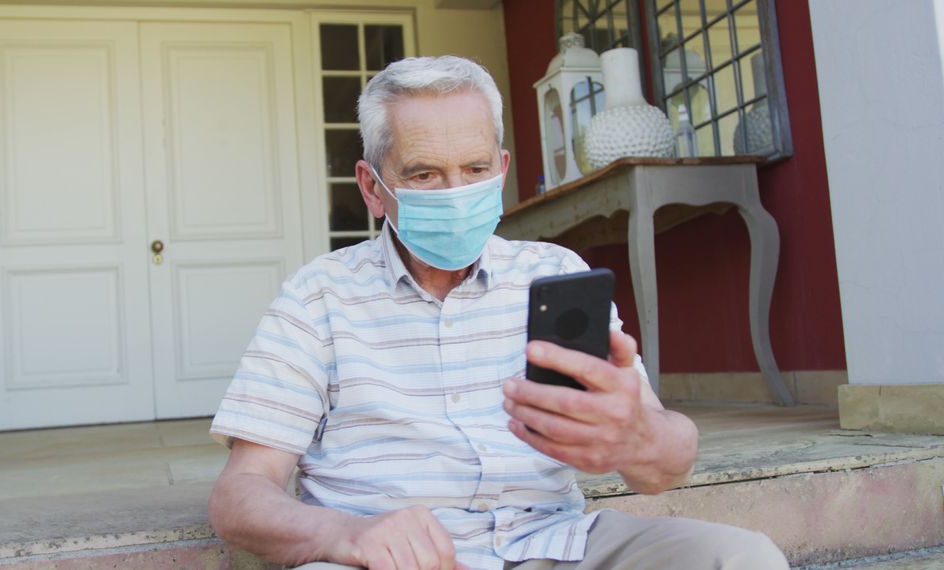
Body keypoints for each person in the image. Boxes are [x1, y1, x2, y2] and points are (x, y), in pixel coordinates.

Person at [208, 55, 788, 570]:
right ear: (372, 186)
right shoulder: (318, 297)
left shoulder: (556, 273)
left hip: (557, 544)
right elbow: (240, 496)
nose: (455, 192)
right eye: (424, 174)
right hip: (391, 562)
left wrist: (644, 440)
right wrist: (346, 533)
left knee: (744, 558)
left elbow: (666, 461)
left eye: (475, 170)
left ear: (502, 169)